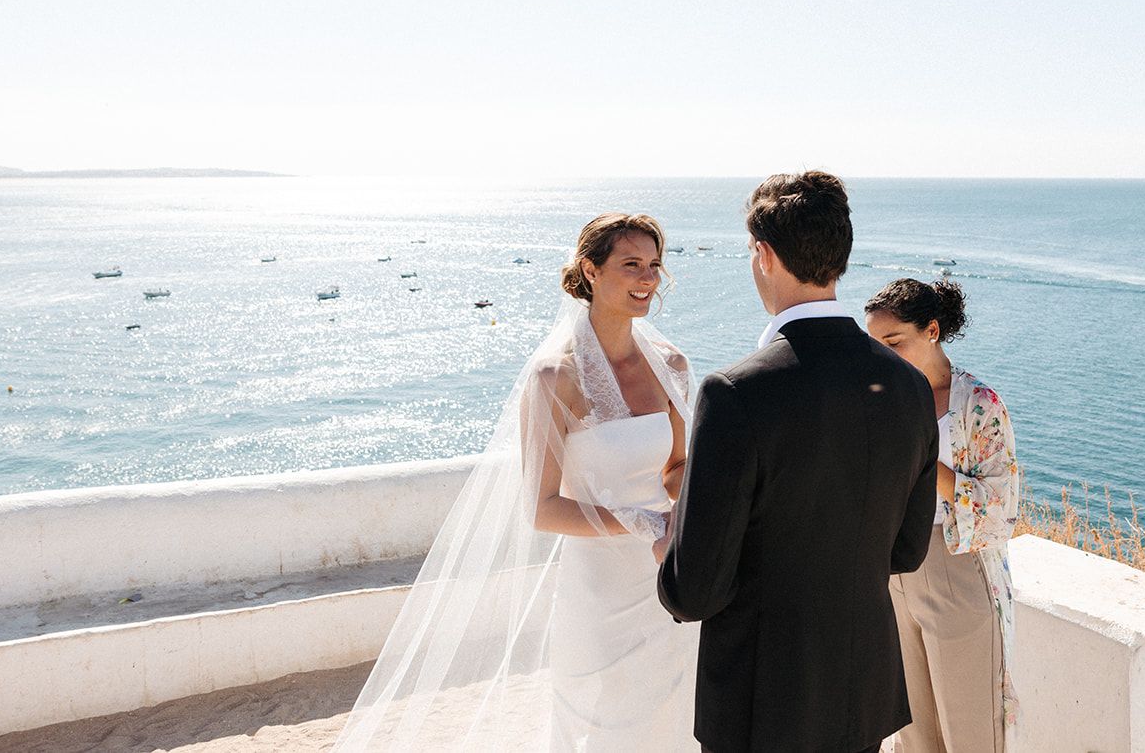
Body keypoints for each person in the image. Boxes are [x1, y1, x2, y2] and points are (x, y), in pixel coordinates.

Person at [333, 213, 699, 752]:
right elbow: (543, 508)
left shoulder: (671, 363)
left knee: (676, 713)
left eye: (653, 265)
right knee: (607, 723)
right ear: (590, 272)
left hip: (669, 572)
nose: (647, 278)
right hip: (599, 586)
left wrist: (695, 502)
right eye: (630, 264)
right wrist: (642, 523)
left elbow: (674, 468)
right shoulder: (556, 377)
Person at [658, 171, 940, 753]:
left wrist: (669, 552)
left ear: (763, 254)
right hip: (860, 692)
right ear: (838, 256)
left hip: (763, 706)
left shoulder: (733, 393)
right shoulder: (911, 386)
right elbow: (907, 551)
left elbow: (695, 592)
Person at [864, 278, 1018, 753]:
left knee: (971, 725)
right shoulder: (878, 396)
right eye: (875, 345)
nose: (883, 355)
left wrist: (925, 456)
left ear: (932, 330)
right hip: (890, 569)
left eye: (894, 342)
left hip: (955, 563)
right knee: (912, 730)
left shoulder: (978, 404)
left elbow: (1003, 509)